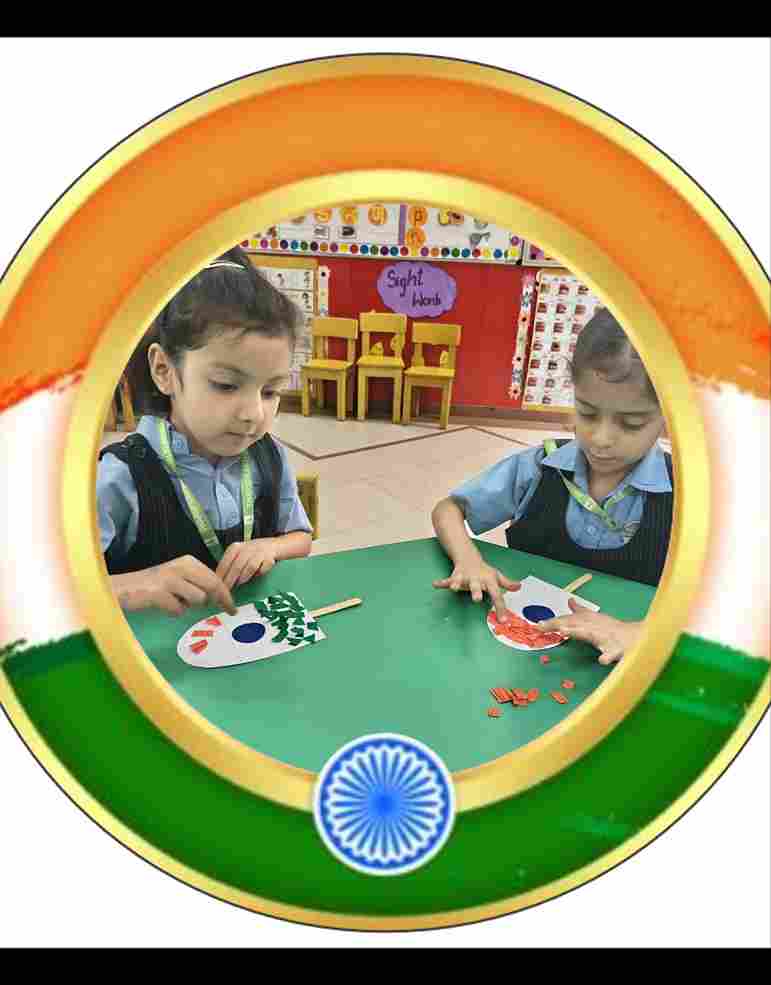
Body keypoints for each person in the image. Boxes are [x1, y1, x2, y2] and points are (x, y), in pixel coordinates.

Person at [431, 308, 672, 665]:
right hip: (520, 656)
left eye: (632, 423)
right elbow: (448, 510)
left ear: (669, 415)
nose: (601, 439)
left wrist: (643, 633)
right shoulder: (539, 466)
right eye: (587, 413)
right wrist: (469, 560)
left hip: (617, 665)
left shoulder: (689, 497)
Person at [98, 246, 313, 617]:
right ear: (164, 370)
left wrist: (270, 548)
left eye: (270, 391)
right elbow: (51, 591)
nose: (253, 414)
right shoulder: (120, 476)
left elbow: (300, 537)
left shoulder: (269, 456)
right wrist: (134, 584)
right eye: (226, 385)